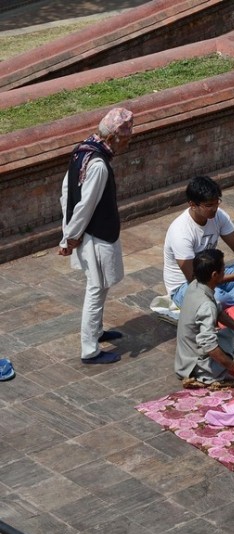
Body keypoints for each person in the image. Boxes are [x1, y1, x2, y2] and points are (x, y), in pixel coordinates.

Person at [58, 107, 134, 365]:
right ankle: (90, 349)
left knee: (100, 287)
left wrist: (68, 231)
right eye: (125, 139)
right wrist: (70, 237)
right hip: (95, 236)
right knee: (96, 289)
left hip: (90, 233)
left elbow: (67, 192)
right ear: (112, 137)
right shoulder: (99, 165)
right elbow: (85, 205)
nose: (127, 143)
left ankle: (97, 331)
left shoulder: (82, 150)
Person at [163, 175, 234, 308]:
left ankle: (232, 303)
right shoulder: (181, 232)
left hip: (215, 276)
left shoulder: (219, 215)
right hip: (186, 286)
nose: (214, 208)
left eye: (217, 202)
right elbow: (194, 280)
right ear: (192, 205)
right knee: (217, 298)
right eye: (209, 205)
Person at [174, 249, 234, 386]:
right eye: (223, 270)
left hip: (192, 355)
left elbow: (219, 312)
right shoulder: (206, 306)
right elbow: (209, 346)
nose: (225, 273)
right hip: (199, 366)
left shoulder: (195, 284)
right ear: (214, 275)